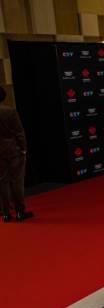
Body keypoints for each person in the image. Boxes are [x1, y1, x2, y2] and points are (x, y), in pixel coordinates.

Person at [0, 86, 33, 222]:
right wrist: (23, 148)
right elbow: (19, 132)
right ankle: (20, 211)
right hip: (13, 150)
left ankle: (6, 213)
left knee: (2, 182)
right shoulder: (10, 111)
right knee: (17, 182)